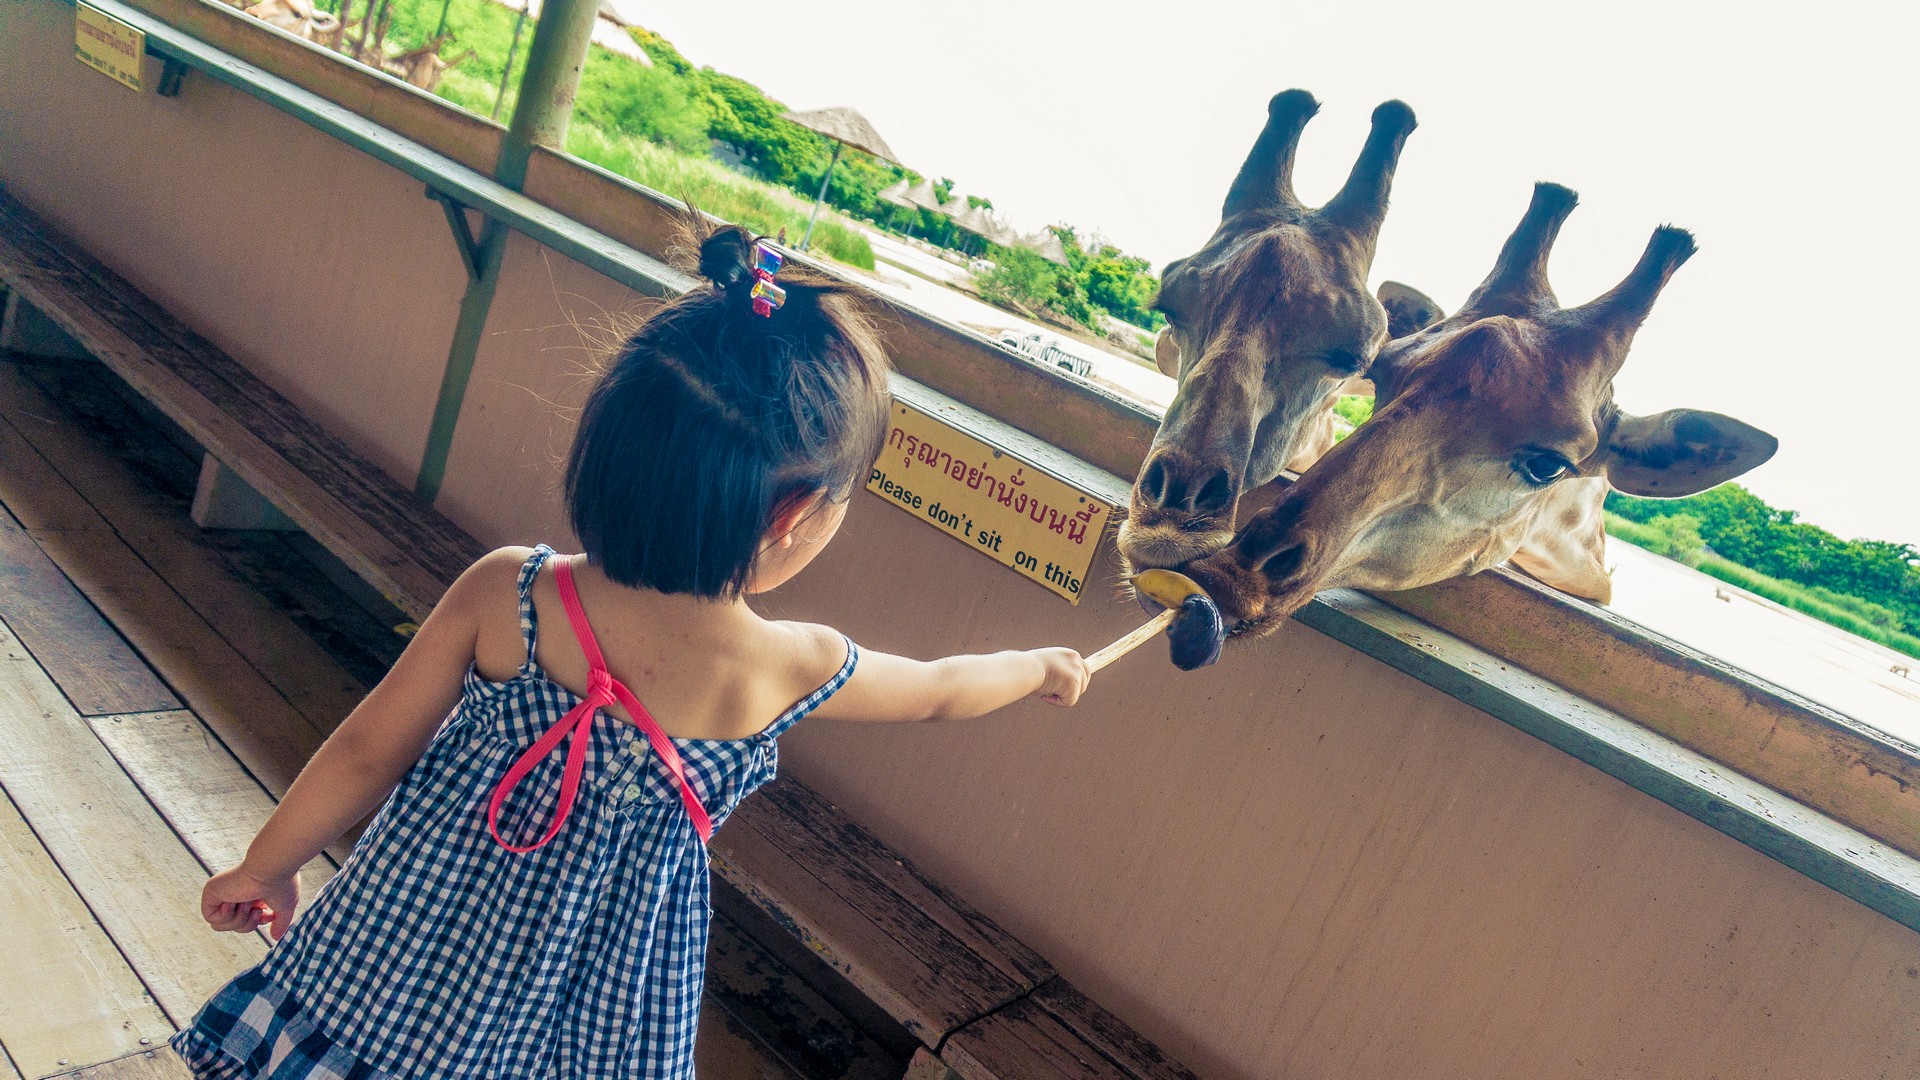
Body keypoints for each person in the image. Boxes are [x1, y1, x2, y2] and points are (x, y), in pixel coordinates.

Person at [172, 224, 1092, 1079]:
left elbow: (369, 748)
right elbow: (939, 689)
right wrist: (1043, 667)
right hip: (584, 1015)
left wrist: (268, 865)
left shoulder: (512, 590)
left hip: (399, 964)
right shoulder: (786, 667)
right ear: (795, 516)